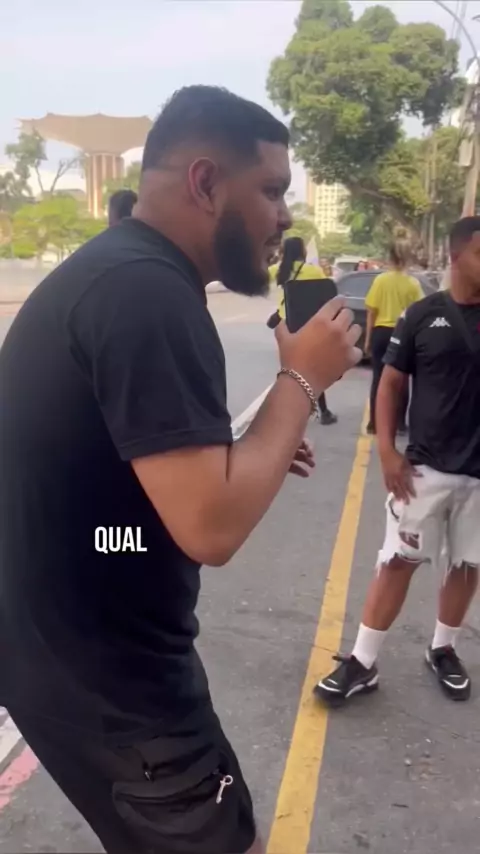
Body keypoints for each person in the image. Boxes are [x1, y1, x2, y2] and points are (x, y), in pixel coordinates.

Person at [0, 86, 361, 854]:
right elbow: (211, 527)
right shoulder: (147, 293)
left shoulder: (120, 270)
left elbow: (115, 469)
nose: (285, 217)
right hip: (117, 687)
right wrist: (303, 379)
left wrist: (245, 448)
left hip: (61, 651)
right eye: (272, 190)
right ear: (205, 182)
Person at [315, 216, 480, 707]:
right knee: (397, 562)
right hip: (424, 470)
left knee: (467, 564)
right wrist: (387, 451)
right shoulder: (422, 315)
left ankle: (443, 649)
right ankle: (363, 662)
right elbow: (390, 384)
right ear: (457, 256)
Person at [269, 236, 338, 426]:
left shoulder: (279, 270)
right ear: (303, 251)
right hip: (307, 324)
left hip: (284, 325)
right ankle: (324, 412)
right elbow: (325, 294)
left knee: (289, 369)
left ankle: (287, 412)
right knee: (311, 367)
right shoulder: (313, 270)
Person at [364, 238, 424, 435]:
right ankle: (399, 423)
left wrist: (368, 340)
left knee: (378, 378)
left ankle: (374, 423)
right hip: (403, 333)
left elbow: (371, 312)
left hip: (381, 332)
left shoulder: (380, 280)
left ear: (389, 257)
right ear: (407, 257)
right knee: (402, 379)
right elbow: (419, 312)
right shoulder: (413, 283)